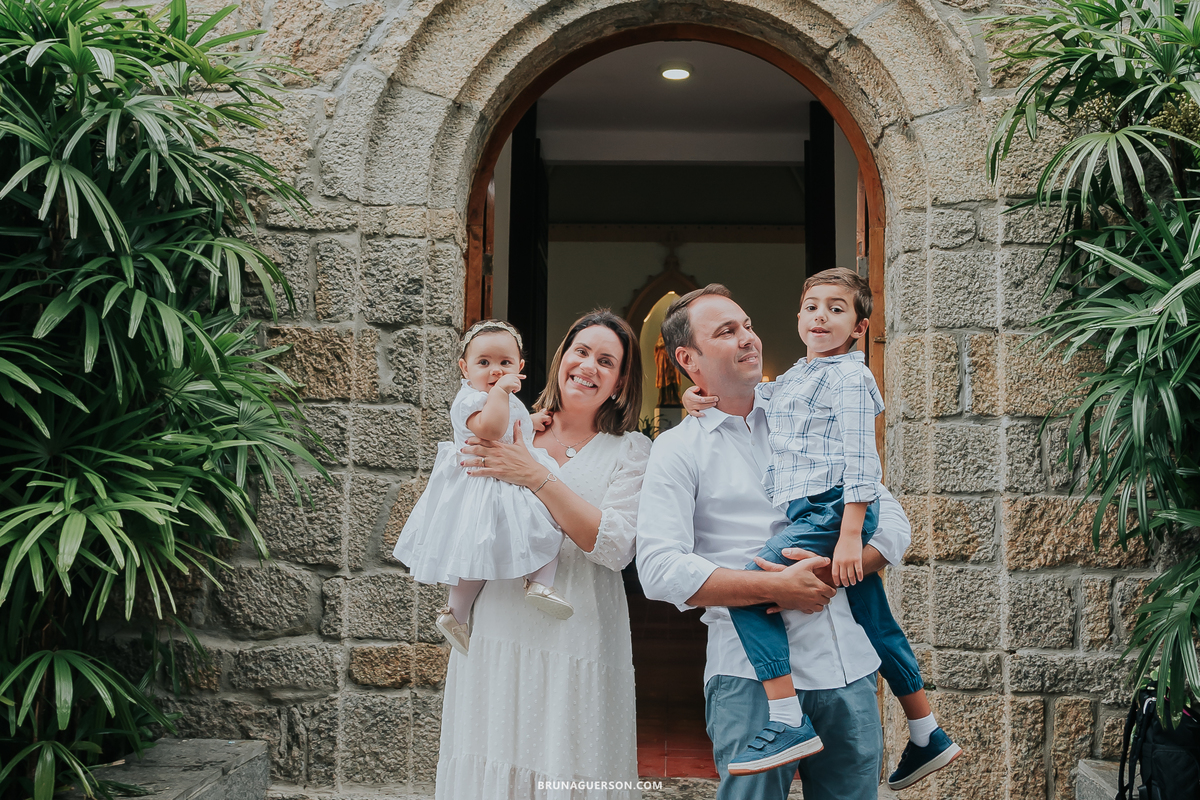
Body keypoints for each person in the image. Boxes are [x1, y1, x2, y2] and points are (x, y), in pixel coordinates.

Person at [681, 270, 959, 788]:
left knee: (747, 584)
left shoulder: (851, 378)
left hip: (832, 510)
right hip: (822, 513)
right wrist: (700, 398)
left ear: (860, 327)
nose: (821, 317)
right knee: (875, 616)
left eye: (836, 309)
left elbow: (861, 459)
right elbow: (760, 395)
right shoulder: (796, 379)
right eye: (811, 306)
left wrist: (851, 534)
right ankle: (926, 730)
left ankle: (786, 718)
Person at [635, 284, 910, 800]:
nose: (748, 338)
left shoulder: (807, 410)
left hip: (843, 663)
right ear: (686, 359)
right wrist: (775, 587)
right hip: (747, 676)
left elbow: (891, 520)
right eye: (726, 331)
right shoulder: (676, 450)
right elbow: (658, 568)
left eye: (747, 325)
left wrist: (839, 568)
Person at [436, 310, 651, 800]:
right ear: (559, 360)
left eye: (606, 361)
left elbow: (615, 547)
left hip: (579, 629)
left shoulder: (631, 450)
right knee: (494, 752)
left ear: (619, 383)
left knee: (572, 762)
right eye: (580, 352)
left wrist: (535, 476)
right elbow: (466, 509)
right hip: (501, 623)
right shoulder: (509, 425)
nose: (588, 366)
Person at [393, 320, 573, 657]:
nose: (495, 371)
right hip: (483, 485)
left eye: (505, 363)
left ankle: (535, 586)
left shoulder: (497, 396)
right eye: (484, 363)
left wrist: (528, 422)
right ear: (465, 368)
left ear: (520, 367)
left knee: (550, 520)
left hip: (503, 479)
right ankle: (458, 611)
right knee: (484, 546)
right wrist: (501, 392)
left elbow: (507, 424)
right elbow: (490, 429)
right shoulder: (470, 400)